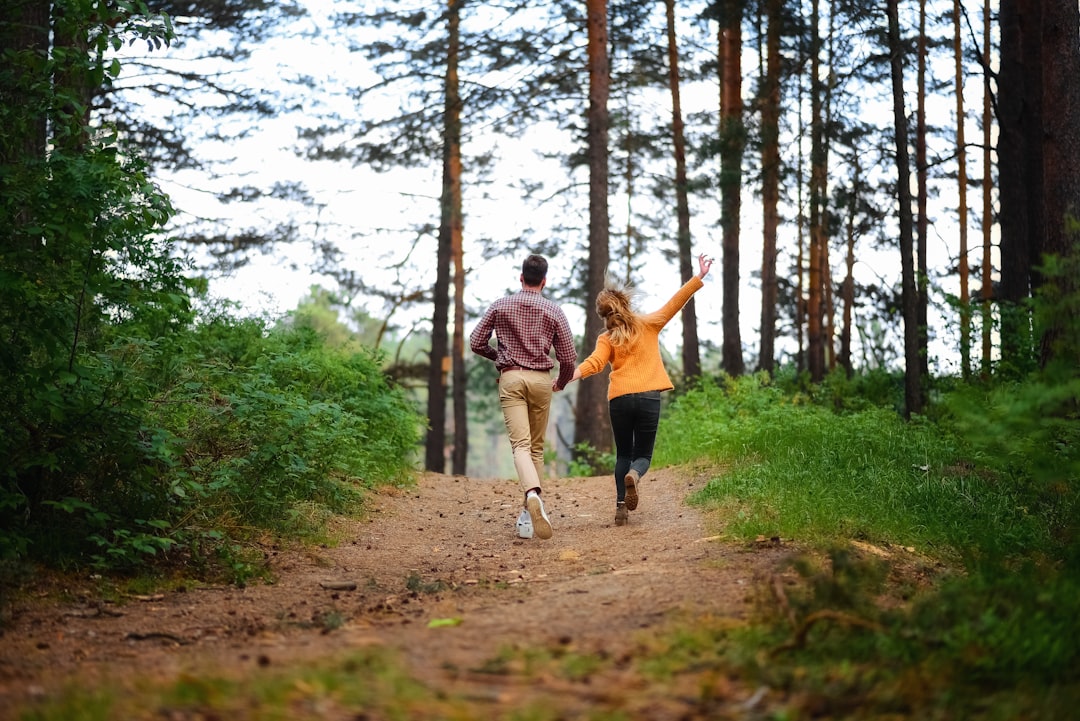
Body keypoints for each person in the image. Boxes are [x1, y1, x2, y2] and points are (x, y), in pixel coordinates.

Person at [556, 253, 713, 526]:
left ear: (604, 314)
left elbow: (593, 363)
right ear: (625, 303)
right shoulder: (648, 324)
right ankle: (635, 476)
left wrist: (567, 376)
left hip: (620, 398)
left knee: (623, 454)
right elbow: (674, 304)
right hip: (649, 396)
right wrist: (699, 276)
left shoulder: (606, 338)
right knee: (642, 456)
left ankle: (620, 508)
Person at [470, 254, 577, 540]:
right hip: (542, 381)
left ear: (521, 278)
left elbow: (476, 341)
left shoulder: (501, 304)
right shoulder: (555, 311)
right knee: (536, 449)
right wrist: (562, 382)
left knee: (520, 445)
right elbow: (568, 358)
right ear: (544, 281)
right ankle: (528, 516)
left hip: (512, 378)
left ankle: (531, 494)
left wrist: (500, 358)